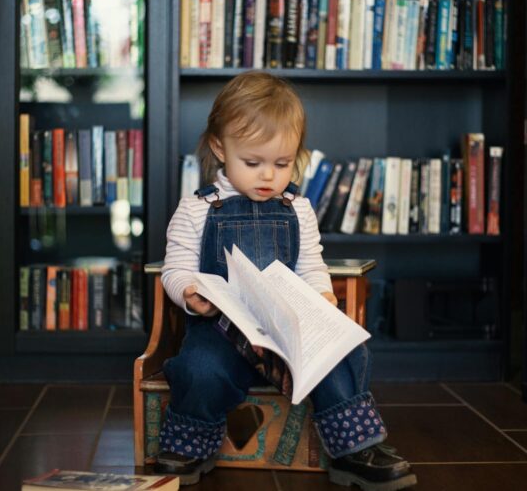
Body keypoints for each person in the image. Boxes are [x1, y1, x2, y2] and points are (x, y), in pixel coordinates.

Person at [153, 71, 417, 490]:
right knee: (198, 369)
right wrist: (189, 292)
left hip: (289, 332)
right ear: (220, 148)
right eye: (253, 163)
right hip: (222, 333)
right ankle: (190, 443)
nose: (268, 177)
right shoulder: (198, 209)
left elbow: (311, 267)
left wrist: (322, 297)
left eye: (282, 163)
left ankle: (353, 450)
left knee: (346, 355)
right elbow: (175, 268)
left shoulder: (298, 208)